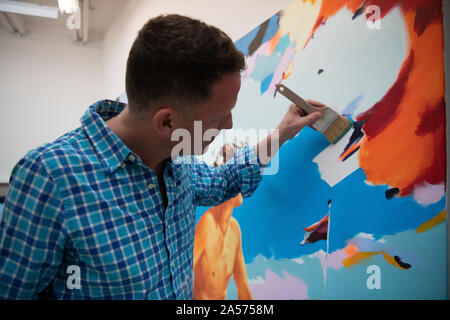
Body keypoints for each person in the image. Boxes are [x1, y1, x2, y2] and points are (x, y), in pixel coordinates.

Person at [0, 14, 322, 300]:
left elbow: (225, 180)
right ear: (167, 122)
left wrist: (282, 133)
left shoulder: (177, 164)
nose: (230, 126)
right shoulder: (50, 179)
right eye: (219, 117)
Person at [193, 144, 252, 300]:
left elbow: (242, 283)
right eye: (237, 179)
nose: (243, 185)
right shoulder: (208, 224)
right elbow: (183, 271)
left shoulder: (234, 228)